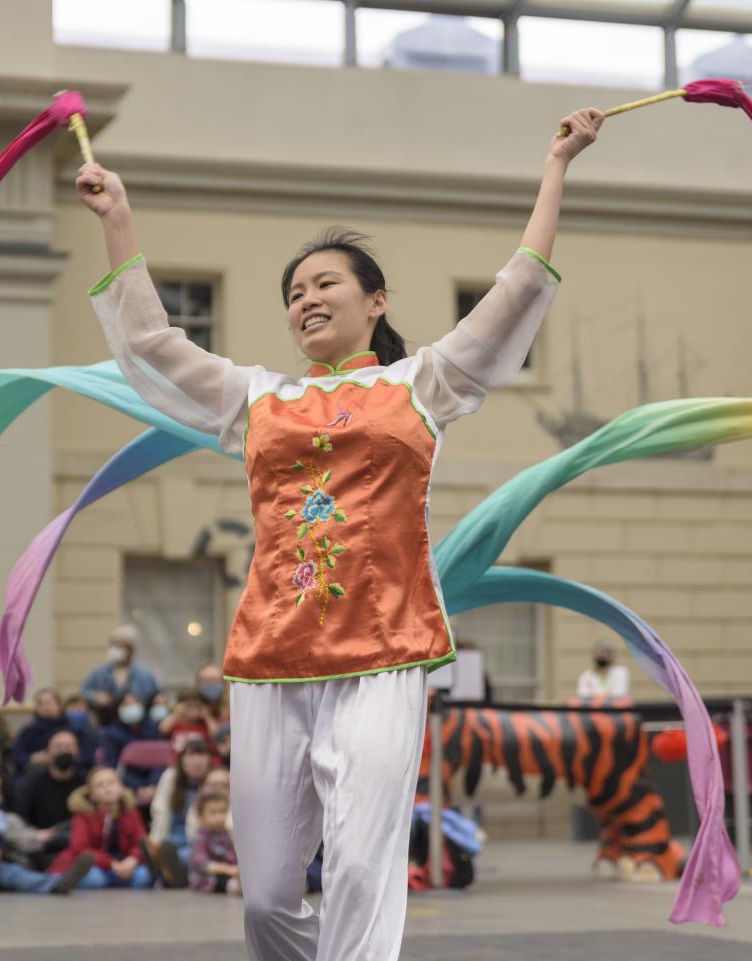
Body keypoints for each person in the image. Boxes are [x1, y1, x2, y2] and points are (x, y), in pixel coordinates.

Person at [77, 102, 601, 956]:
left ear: (375, 300)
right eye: (294, 292)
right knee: (269, 898)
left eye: (325, 283)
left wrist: (557, 168)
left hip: (384, 651)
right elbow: (150, 345)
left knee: (360, 866)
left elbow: (516, 294)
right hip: (268, 658)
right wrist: (119, 220)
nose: (306, 299)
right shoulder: (255, 397)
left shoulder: (423, 381)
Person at [49, 766, 150, 890]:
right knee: (94, 879)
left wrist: (132, 860)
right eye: (100, 785)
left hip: (124, 866)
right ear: (92, 794)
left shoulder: (132, 813)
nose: (107, 788)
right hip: (98, 866)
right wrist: (111, 864)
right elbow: (80, 848)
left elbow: (140, 842)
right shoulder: (83, 815)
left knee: (144, 876)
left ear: (121, 787)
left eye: (111, 783)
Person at [146, 738, 212, 889]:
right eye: (191, 755)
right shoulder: (170, 778)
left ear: (209, 759)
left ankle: (169, 875)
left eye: (201, 755)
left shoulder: (215, 779)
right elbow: (160, 812)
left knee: (186, 855)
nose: (197, 761)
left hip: (201, 838)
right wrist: (155, 842)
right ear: (182, 761)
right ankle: (163, 868)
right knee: (164, 848)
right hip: (174, 837)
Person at [13, 729, 85, 834]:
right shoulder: (32, 783)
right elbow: (21, 816)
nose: (63, 750)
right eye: (58, 746)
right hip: (41, 840)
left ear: (78, 751)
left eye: (69, 746)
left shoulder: (85, 782)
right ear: (47, 752)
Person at [81, 624, 160, 711]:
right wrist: (96, 697)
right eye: (113, 645)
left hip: (137, 721)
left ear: (130, 649)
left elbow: (157, 695)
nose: (116, 650)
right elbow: (84, 692)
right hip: (107, 720)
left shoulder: (144, 674)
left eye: (120, 646)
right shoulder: (100, 672)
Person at [189, 792, 241, 896]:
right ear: (201, 816)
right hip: (208, 878)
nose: (219, 817)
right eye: (213, 813)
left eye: (222, 812)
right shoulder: (201, 836)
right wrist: (229, 870)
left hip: (228, 873)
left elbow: (232, 857)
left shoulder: (225, 834)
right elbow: (201, 864)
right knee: (224, 882)